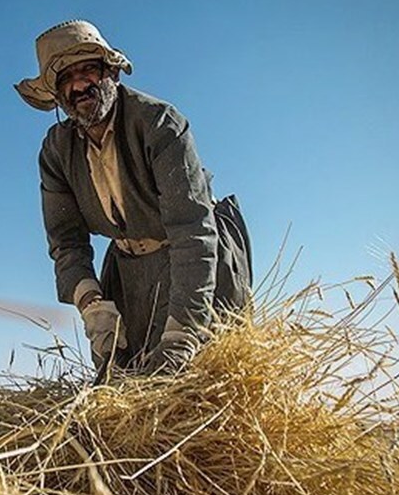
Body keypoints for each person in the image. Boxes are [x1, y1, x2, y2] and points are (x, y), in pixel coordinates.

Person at [15, 20, 251, 375]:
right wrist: (93, 305)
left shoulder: (160, 124)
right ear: (58, 94)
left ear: (112, 73)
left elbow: (192, 232)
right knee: (121, 386)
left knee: (188, 382)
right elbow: (66, 242)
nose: (79, 84)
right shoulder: (56, 151)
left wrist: (183, 332)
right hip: (128, 275)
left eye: (88, 70)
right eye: (66, 77)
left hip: (196, 265)